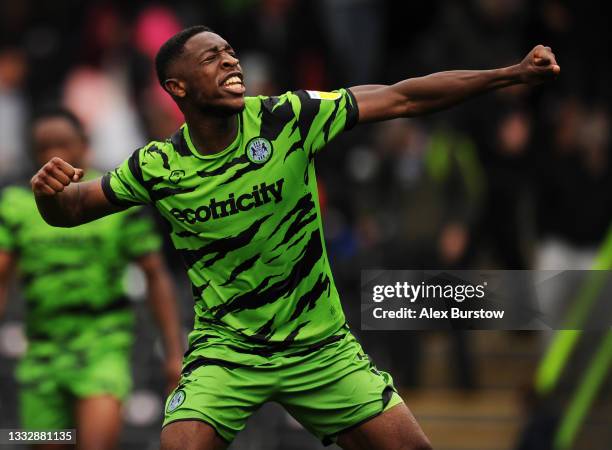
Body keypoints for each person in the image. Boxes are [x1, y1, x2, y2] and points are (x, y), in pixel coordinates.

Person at [29, 26, 560, 450]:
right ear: (177, 88)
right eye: (213, 58)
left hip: (319, 346)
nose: (231, 62)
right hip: (227, 351)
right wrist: (49, 196)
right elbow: (72, 209)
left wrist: (508, 74)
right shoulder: (158, 165)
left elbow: (401, 98)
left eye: (231, 52)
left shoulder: (287, 117)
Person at [0, 107, 184, 450]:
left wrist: (174, 354)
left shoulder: (114, 198)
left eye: (64, 143)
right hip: (41, 354)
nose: (54, 155)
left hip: (104, 346)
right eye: (43, 146)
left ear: (85, 145)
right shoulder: (14, 205)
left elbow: (155, 275)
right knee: (41, 442)